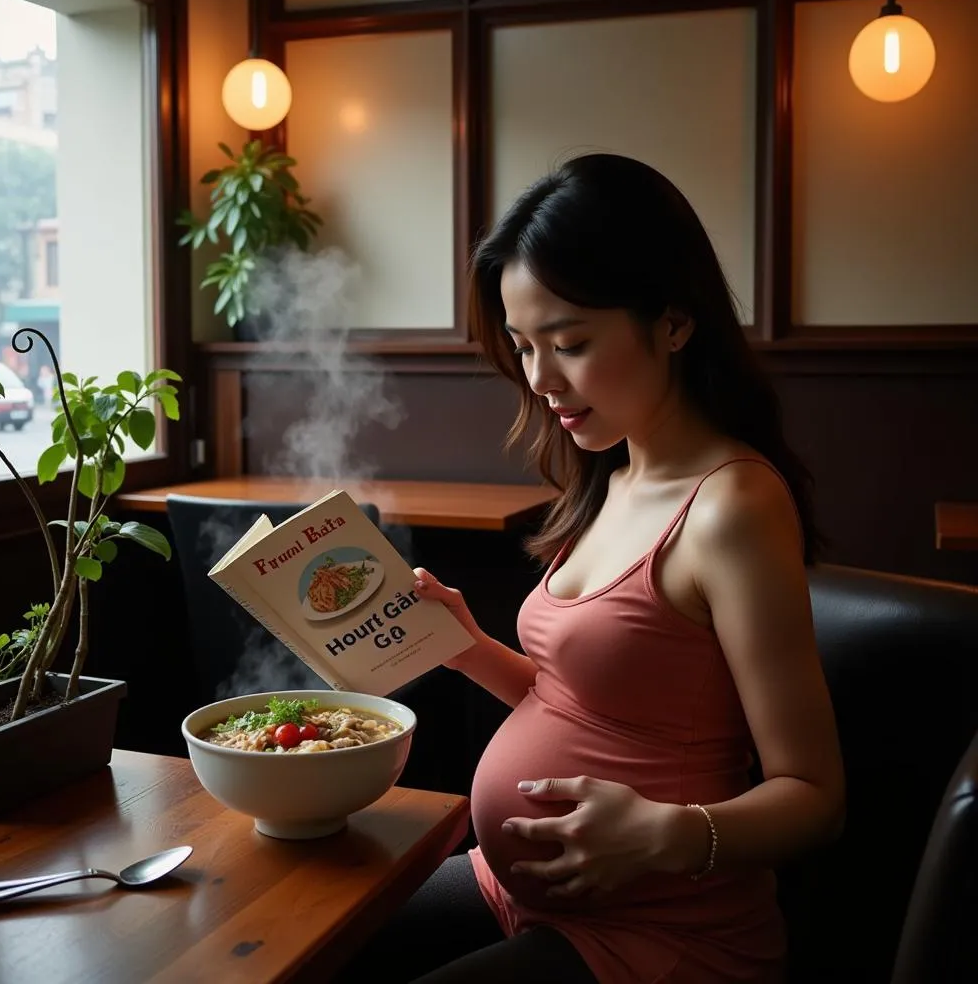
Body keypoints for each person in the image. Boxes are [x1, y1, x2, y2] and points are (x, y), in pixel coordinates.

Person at [335, 153, 845, 983]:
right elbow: (588, 705)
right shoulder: (613, 472)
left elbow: (815, 797)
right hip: (522, 890)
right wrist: (469, 648)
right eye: (523, 346)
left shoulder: (732, 508)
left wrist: (665, 834)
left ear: (675, 323)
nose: (540, 380)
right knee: (325, 946)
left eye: (569, 343)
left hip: (658, 934)